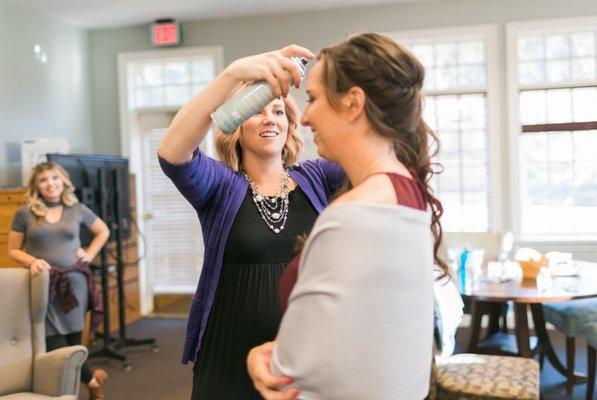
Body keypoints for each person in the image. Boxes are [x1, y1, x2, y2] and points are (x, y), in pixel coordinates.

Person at [247, 32, 448, 400]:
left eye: (313, 99)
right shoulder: (407, 192)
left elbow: (290, 371)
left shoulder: (351, 217)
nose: (304, 118)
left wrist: (259, 359)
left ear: (353, 103)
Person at [157, 44, 344, 399]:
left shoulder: (319, 177)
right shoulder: (219, 186)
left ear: (290, 124)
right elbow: (172, 152)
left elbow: (367, 153)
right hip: (228, 350)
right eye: (257, 111)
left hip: (306, 349)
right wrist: (233, 75)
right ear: (236, 125)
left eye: (278, 111)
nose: (269, 119)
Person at [7, 162, 110, 400]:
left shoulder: (77, 209)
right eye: (43, 180)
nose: (50, 183)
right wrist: (32, 261)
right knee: (55, 345)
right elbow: (13, 249)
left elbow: (103, 230)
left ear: (63, 181)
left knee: (74, 343)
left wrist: (90, 253)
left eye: (54, 178)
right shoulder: (25, 212)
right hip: (43, 286)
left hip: (76, 283)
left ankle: (76, 391)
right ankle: (93, 380)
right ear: (36, 186)